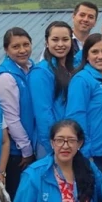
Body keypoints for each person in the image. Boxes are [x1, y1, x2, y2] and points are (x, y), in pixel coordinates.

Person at [65, 34, 102, 172]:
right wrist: (85, 152)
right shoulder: (81, 80)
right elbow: (75, 117)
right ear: (86, 56)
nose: (100, 56)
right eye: (95, 52)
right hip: (94, 154)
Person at [0, 28, 35, 198]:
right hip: (17, 153)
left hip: (31, 144)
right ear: (6, 50)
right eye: (16, 46)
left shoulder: (32, 67)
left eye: (26, 44)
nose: (22, 50)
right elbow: (11, 118)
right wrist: (27, 150)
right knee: (18, 197)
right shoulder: (5, 77)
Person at [31, 21, 75, 159]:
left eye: (65, 39)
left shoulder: (72, 68)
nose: (60, 44)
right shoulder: (41, 72)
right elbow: (43, 114)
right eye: (55, 40)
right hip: (52, 143)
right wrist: (55, 144)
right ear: (46, 42)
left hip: (70, 139)